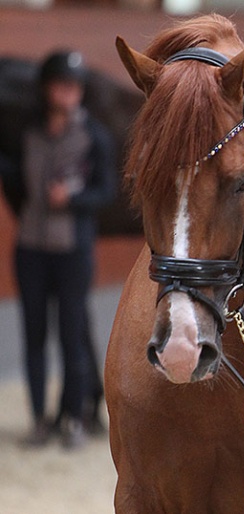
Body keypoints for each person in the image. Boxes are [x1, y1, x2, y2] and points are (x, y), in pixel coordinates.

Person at [3, 49, 115, 449]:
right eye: (63, 85)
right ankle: (39, 419)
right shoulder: (28, 135)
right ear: (47, 89)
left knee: (72, 335)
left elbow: (107, 191)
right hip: (31, 248)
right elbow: (15, 182)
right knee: (34, 335)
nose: (70, 93)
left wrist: (73, 198)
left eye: (76, 86)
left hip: (72, 250)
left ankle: (75, 417)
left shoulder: (94, 137)